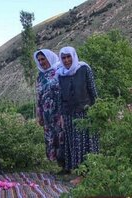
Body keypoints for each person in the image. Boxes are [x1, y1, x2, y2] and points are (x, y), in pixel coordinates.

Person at [57, 46, 99, 184]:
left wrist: (97, 110)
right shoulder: (61, 74)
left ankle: (85, 175)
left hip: (85, 112)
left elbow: (92, 90)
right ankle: (79, 173)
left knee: (86, 143)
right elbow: (61, 97)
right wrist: (62, 115)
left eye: (69, 57)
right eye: (63, 58)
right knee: (74, 144)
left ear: (74, 56)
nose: (67, 60)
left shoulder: (84, 69)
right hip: (69, 114)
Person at [33, 49, 66, 173]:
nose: (41, 62)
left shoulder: (60, 71)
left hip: (59, 112)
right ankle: (61, 165)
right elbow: (39, 97)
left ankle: (67, 166)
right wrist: (39, 115)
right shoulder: (40, 76)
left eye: (43, 59)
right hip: (47, 114)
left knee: (62, 137)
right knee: (52, 138)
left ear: (50, 58)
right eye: (39, 60)